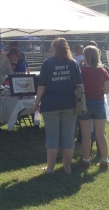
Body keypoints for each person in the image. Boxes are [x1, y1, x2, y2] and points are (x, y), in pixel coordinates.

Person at [33, 38, 83, 174]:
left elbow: (41, 86)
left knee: (52, 137)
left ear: (54, 48)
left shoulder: (47, 63)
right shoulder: (73, 63)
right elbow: (80, 85)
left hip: (50, 105)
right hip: (70, 104)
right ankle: (67, 168)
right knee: (68, 137)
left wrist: (36, 103)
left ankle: (50, 168)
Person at [78, 45, 109, 169]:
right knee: (100, 134)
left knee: (86, 135)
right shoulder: (103, 71)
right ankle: (105, 160)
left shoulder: (82, 71)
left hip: (85, 103)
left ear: (85, 56)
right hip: (99, 103)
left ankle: (85, 160)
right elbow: (106, 91)